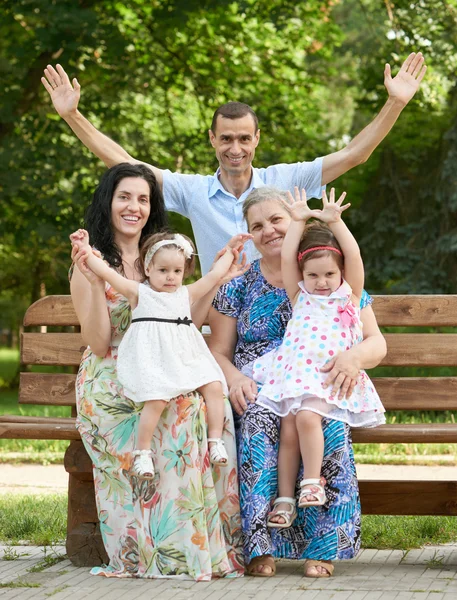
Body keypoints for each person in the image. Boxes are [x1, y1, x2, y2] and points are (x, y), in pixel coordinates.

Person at [41, 53, 427, 273]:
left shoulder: (286, 180)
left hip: (282, 309)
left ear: (257, 139)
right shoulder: (194, 191)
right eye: (226, 138)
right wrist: (73, 116)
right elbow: (126, 164)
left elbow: (354, 154)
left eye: (244, 138)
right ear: (212, 140)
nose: (235, 148)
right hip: (220, 317)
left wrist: (395, 103)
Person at [70, 162, 244, 580]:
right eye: (124, 197)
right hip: (112, 378)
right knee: (179, 416)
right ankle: (161, 554)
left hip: (169, 365)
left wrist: (217, 278)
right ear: (108, 202)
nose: (134, 207)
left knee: (204, 412)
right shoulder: (92, 261)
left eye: (143, 199)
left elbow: (187, 319)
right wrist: (95, 284)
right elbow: (96, 342)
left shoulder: (164, 255)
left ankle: (200, 549)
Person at [208, 186, 387, 578]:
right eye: (257, 225)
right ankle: (259, 546)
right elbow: (217, 350)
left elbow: (376, 342)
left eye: (276, 220)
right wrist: (235, 377)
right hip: (259, 384)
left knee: (331, 428)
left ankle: (322, 547)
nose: (268, 230)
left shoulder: (329, 276)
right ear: (249, 234)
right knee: (257, 426)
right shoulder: (239, 283)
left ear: (293, 222)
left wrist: (353, 357)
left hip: (322, 380)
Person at [249, 187, 385, 530]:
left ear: (340, 275)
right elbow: (286, 258)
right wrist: (296, 221)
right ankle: (284, 499)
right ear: (303, 275)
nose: (321, 282)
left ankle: (311, 482)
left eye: (328, 274)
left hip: (325, 379)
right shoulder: (300, 296)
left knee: (307, 418)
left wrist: (335, 223)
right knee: (289, 430)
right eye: (313, 275)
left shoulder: (347, 298)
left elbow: (353, 257)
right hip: (295, 374)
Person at [70, 227, 248, 478]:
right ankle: (142, 454)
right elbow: (106, 272)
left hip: (184, 358)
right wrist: (86, 250)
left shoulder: (186, 293)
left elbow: (215, 275)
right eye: (163, 270)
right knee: (156, 399)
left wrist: (230, 250)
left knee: (215, 387)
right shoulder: (138, 292)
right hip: (154, 360)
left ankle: (215, 440)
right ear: (148, 269)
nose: (170, 277)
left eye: (177, 271)